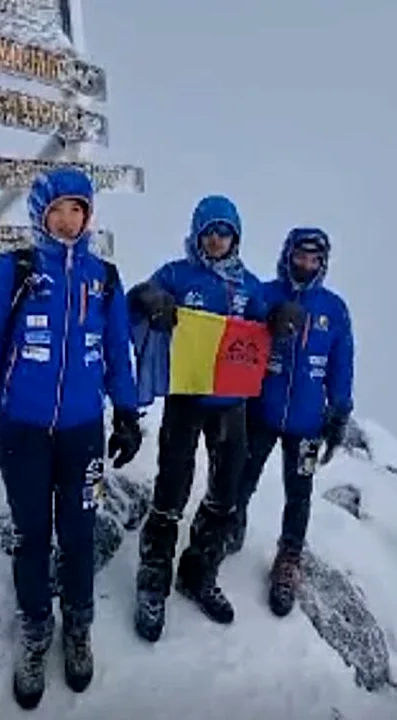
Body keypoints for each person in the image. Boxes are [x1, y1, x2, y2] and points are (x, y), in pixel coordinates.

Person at [0, 166, 144, 710]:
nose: (67, 219)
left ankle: (77, 628)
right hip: (22, 430)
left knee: (79, 534)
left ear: (88, 216)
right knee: (33, 535)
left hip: (84, 432)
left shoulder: (104, 279)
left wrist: (127, 411)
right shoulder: (14, 271)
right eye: (57, 209)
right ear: (40, 214)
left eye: (76, 210)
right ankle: (36, 631)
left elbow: (117, 351)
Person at [125, 195, 301, 643]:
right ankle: (152, 581)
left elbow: (271, 318)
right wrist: (152, 298)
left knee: (225, 497)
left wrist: (282, 316)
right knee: (171, 491)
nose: (218, 239)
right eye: (210, 231)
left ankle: (198, 573)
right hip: (186, 399)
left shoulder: (250, 287)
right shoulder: (178, 274)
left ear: (236, 238)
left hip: (232, 406)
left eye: (225, 232)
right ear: (198, 234)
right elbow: (136, 298)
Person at [223, 227, 354, 617]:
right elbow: (239, 337)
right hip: (261, 412)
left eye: (315, 259)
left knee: (299, 491)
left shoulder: (334, 309)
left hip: (309, 424)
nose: (306, 265)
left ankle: (289, 559)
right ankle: (233, 526)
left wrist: (340, 411)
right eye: (301, 256)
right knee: (243, 476)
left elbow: (342, 363)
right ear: (288, 255)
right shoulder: (265, 294)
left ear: (323, 264)